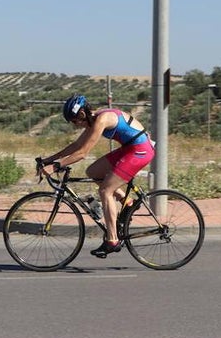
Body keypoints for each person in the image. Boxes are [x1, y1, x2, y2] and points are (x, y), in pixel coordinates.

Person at [37, 94, 155, 257]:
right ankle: (127, 201)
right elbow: (77, 145)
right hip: (129, 148)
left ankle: (112, 240)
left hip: (140, 151)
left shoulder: (102, 119)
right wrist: (50, 159)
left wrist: (57, 166)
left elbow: (82, 153)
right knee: (93, 172)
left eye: (74, 121)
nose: (75, 125)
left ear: (82, 114)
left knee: (105, 191)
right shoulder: (94, 119)